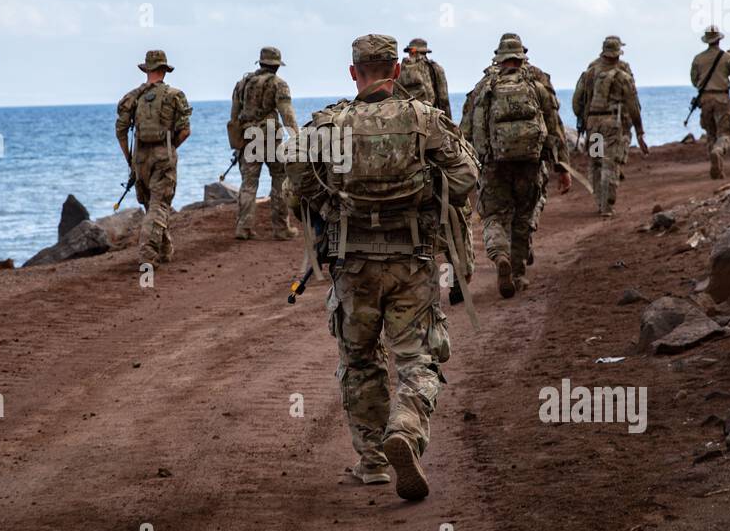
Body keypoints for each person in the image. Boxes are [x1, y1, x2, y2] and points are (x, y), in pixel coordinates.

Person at [286, 34, 477, 501]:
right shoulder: (424, 119)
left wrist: (332, 202)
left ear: (354, 72)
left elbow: (295, 174)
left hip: (353, 265)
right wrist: (426, 192)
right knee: (418, 358)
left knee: (359, 360)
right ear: (396, 70)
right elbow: (467, 175)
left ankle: (372, 461)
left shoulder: (329, 125)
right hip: (411, 261)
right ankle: (407, 428)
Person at [466, 39, 570, 297]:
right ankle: (518, 274)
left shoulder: (483, 88)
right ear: (522, 57)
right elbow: (554, 129)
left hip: (493, 165)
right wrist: (562, 165)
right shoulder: (536, 86)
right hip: (530, 165)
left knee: (494, 216)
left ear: (498, 59)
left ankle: (500, 254)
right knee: (523, 219)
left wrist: (468, 167)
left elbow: (466, 130)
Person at [115, 50, 192, 267]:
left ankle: (165, 249)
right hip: (163, 156)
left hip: (139, 158)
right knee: (159, 205)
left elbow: (120, 131)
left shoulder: (133, 97)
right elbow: (185, 131)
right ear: (164, 71)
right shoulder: (175, 95)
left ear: (146, 70)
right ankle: (147, 256)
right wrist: (170, 147)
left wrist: (129, 158)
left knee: (152, 205)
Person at [572, 36, 648, 217]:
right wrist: (639, 131)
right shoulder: (623, 76)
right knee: (609, 164)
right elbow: (633, 106)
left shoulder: (589, 73)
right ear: (618, 53)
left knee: (596, 161)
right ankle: (607, 206)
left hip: (593, 125)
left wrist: (583, 119)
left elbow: (576, 102)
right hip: (612, 125)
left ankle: (599, 201)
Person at [229, 46, 299, 240]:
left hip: (248, 139)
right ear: (277, 66)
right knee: (280, 179)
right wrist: (296, 137)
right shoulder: (279, 84)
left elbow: (234, 117)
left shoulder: (242, 84)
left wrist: (237, 143)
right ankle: (281, 228)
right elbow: (287, 114)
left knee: (248, 184)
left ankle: (243, 228)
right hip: (270, 138)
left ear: (260, 63)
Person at [689, 25, 730, 178]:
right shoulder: (729, 58)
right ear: (719, 40)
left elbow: (695, 81)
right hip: (722, 97)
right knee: (726, 133)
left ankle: (717, 168)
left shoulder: (698, 59)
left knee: (710, 133)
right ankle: (718, 151)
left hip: (705, 99)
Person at [396, 38, 452, 118]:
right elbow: (443, 99)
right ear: (425, 52)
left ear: (410, 51)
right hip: (427, 118)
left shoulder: (399, 69)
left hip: (404, 118)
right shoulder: (435, 68)